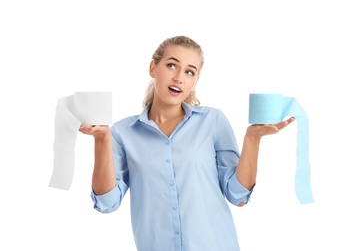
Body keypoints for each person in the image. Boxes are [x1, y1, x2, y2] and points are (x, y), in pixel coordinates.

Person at [79, 35, 295, 251]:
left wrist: (252, 139)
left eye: (189, 71)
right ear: (153, 68)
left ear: (195, 82)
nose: (179, 78)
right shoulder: (122, 132)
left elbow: (238, 196)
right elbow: (107, 203)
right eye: (172, 65)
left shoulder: (213, 121)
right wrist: (101, 140)